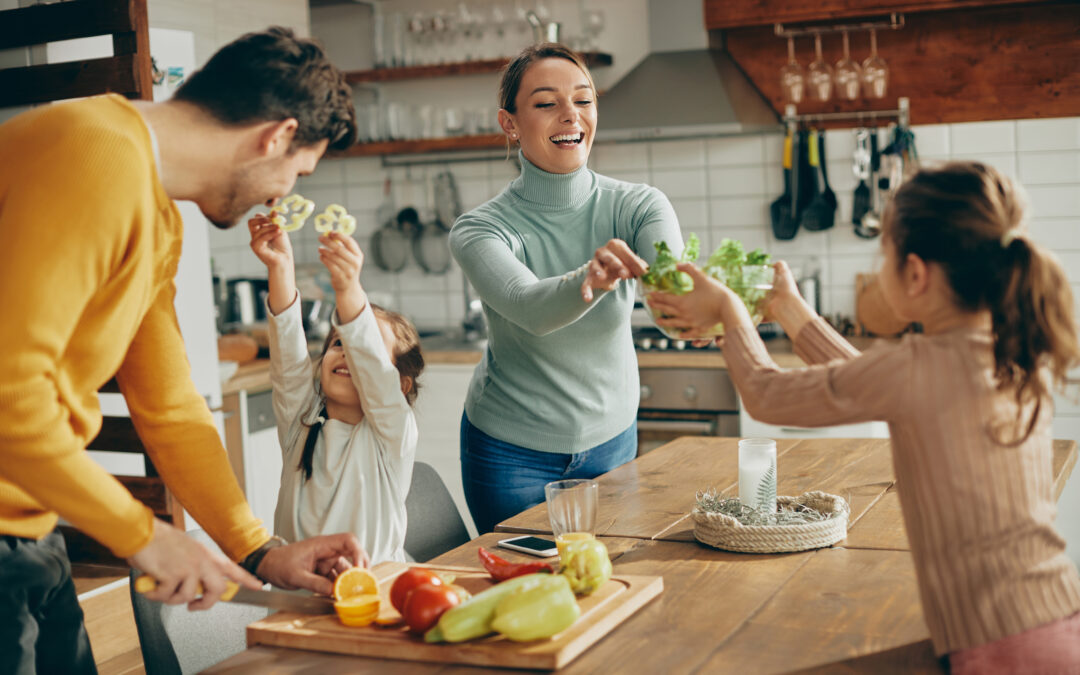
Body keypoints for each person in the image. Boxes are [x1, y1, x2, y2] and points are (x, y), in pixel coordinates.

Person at [0, 27, 367, 674]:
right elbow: (8, 396)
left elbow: (170, 408)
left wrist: (258, 551)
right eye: (296, 172)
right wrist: (144, 535)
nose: (282, 195)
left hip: (25, 526)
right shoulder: (94, 155)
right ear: (276, 135)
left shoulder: (156, 214)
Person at [647, 162, 1080, 673]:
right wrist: (792, 313)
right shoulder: (1004, 348)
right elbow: (869, 377)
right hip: (1052, 622)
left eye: (884, 256)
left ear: (916, 274)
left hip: (1000, 651)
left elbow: (764, 394)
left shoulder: (918, 366)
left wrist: (729, 311)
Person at [449, 43, 685, 534]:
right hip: (509, 453)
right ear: (509, 123)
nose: (570, 115)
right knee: (524, 590)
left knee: (604, 581)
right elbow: (529, 307)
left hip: (612, 442)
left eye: (583, 99)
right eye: (545, 103)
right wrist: (590, 279)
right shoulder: (480, 228)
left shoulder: (639, 206)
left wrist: (699, 312)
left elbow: (671, 286)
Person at [247, 212, 423, 565]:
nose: (345, 352)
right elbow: (287, 358)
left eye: (356, 345)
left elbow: (373, 371)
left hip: (376, 592)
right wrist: (280, 268)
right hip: (297, 596)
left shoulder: (392, 437)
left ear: (401, 384)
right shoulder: (302, 424)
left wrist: (348, 290)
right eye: (336, 343)